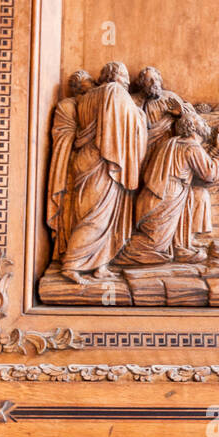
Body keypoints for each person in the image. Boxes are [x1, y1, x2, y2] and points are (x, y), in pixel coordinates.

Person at [59, 68, 147, 281]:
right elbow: (120, 123)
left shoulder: (87, 98)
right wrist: (140, 114)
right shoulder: (112, 91)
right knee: (95, 217)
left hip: (87, 158)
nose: (127, 84)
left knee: (98, 215)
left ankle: (99, 265)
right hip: (103, 159)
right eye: (125, 79)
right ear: (118, 78)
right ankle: (71, 265)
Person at [120, 106, 219, 265]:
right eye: (201, 121)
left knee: (199, 194)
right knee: (153, 247)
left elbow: (199, 167)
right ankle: (122, 251)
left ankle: (183, 241)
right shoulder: (191, 146)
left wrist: (217, 149)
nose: (205, 123)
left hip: (162, 193)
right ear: (194, 127)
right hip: (167, 197)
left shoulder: (174, 142)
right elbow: (210, 173)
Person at [46, 70, 84, 261]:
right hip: (70, 162)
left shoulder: (83, 104)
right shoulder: (67, 106)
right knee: (69, 209)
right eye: (86, 85)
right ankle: (66, 251)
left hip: (81, 162)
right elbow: (65, 135)